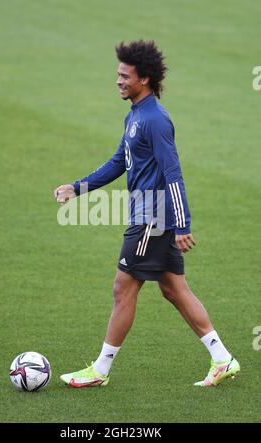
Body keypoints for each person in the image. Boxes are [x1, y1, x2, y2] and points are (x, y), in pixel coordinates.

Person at [54, 40, 240, 388]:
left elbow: (174, 173)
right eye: (118, 74)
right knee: (173, 288)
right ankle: (222, 358)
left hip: (152, 217)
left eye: (125, 76)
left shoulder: (155, 119)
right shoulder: (135, 115)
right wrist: (77, 187)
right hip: (149, 214)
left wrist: (182, 224)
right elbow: (118, 163)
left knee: (123, 288)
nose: (118, 80)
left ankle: (100, 370)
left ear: (145, 79)